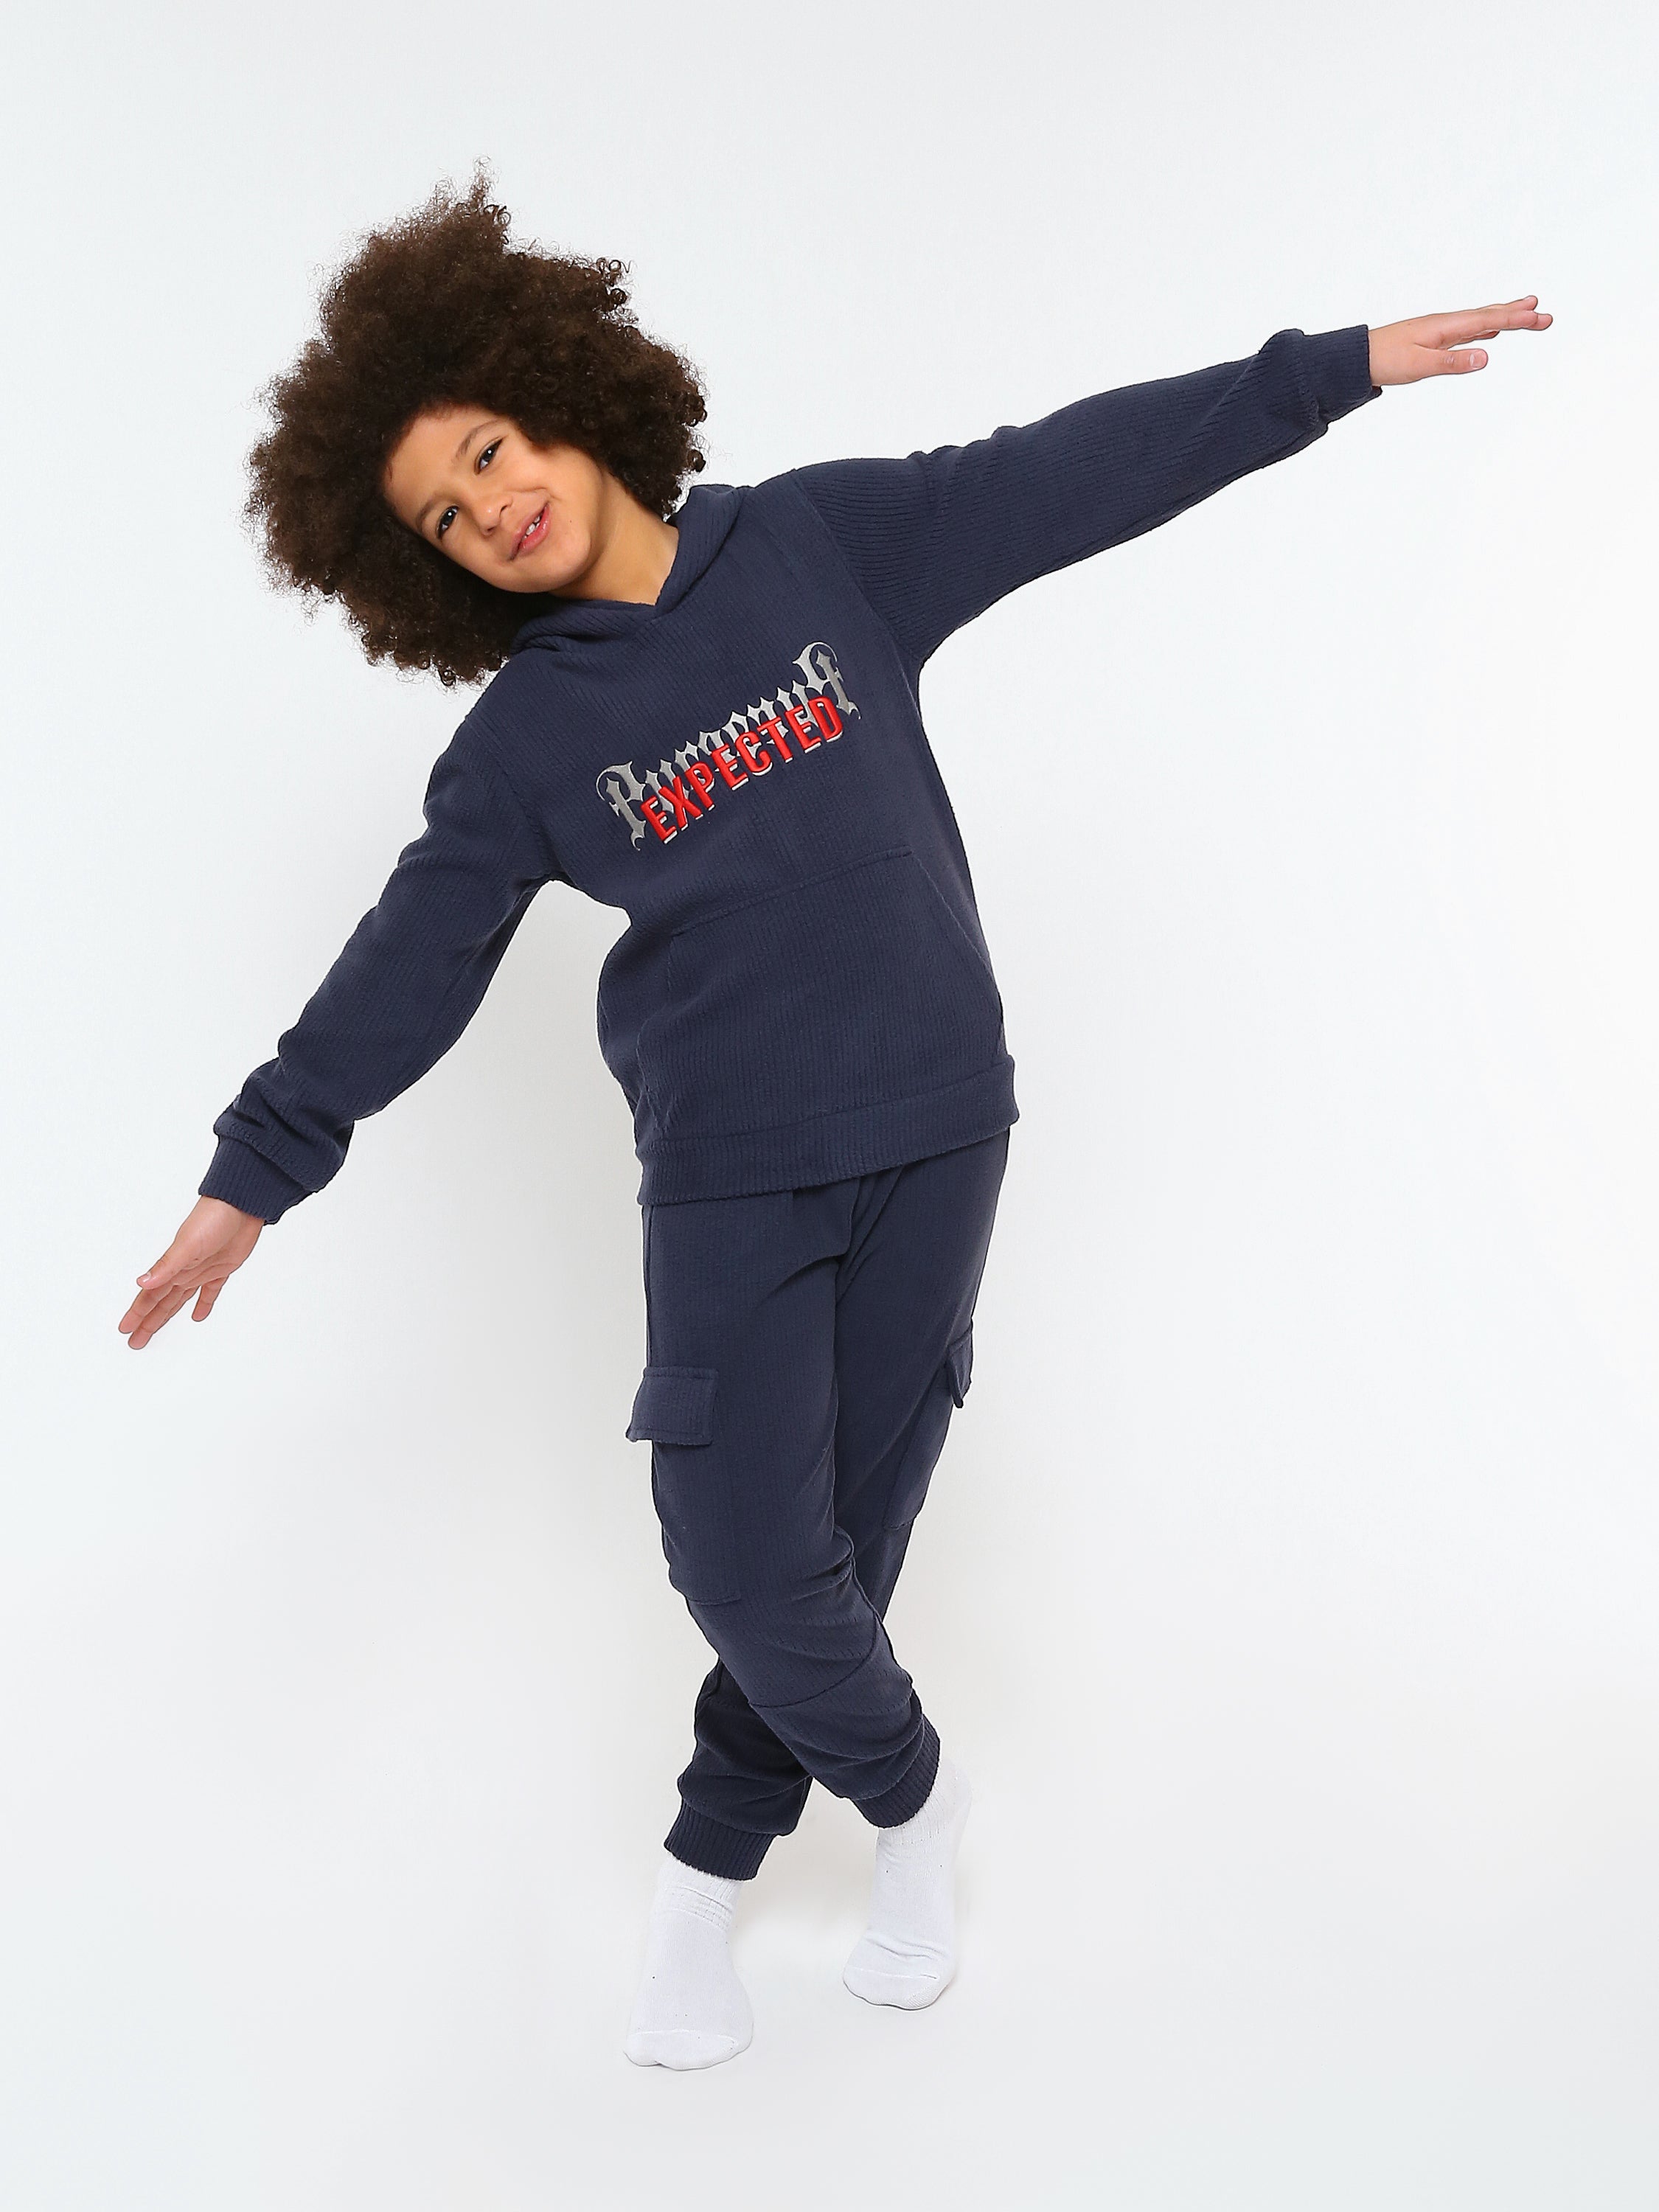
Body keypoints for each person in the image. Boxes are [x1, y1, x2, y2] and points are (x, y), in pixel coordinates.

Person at [116, 167, 1551, 2070]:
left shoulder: (820, 545)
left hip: (942, 1124)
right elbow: (408, 964)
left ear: (561, 393)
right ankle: (915, 1798)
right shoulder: (524, 745)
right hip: (726, 1169)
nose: (493, 508)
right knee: (736, 1553)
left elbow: (1066, 475)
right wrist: (254, 1176)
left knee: (847, 1539)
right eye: (447, 517)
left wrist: (1325, 372)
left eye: (490, 453)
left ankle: (705, 1873)